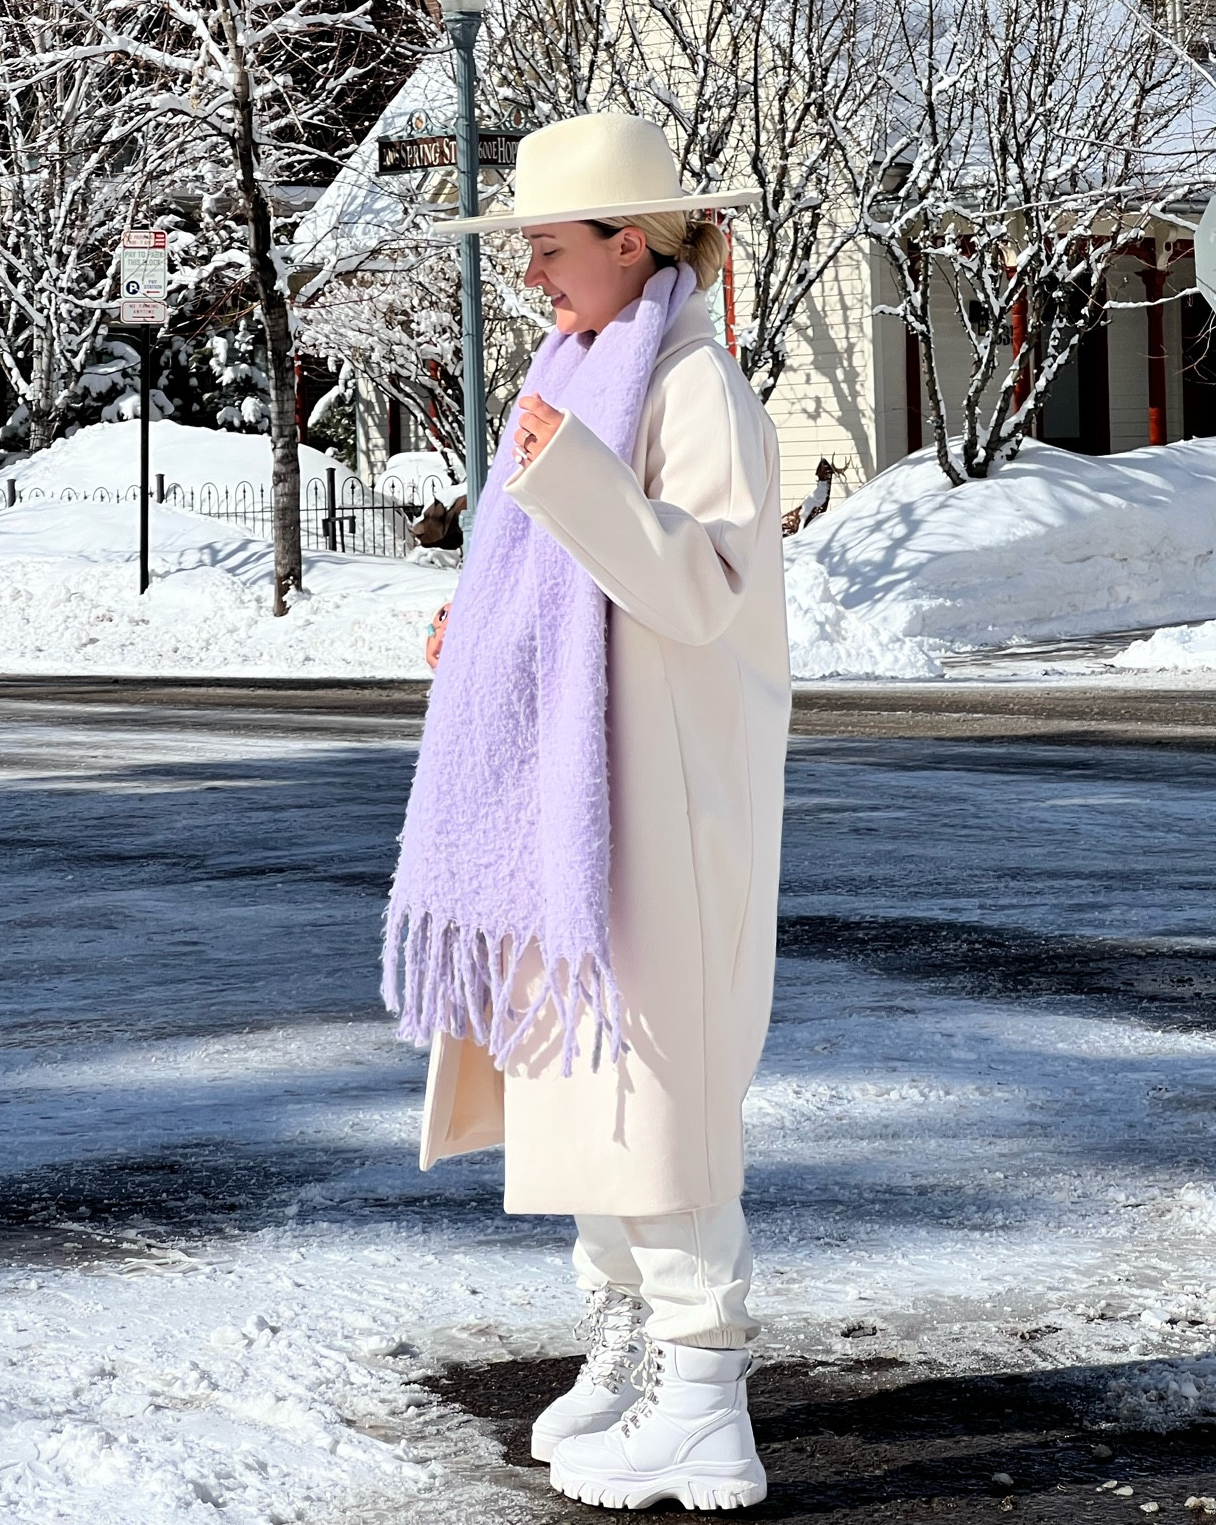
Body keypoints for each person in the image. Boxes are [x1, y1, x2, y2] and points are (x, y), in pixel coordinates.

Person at [383, 112, 790, 1512]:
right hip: (579, 796)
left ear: (631, 242)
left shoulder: (691, 387)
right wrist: (482, 628)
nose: (536, 282)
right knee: (590, 1082)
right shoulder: (584, 368)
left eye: (552, 253)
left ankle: (702, 1390)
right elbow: (559, 585)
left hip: (663, 802)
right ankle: (629, 1351)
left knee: (656, 1082)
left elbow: (708, 590)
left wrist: (570, 481)